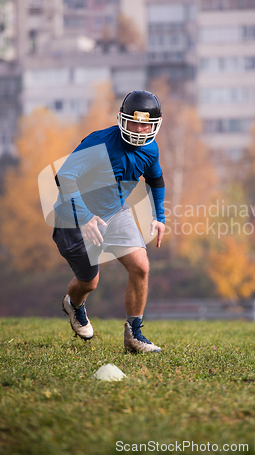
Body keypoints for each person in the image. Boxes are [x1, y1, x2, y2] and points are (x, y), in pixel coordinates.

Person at [52, 90, 165, 352]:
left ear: (154, 126)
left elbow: (155, 179)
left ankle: (134, 336)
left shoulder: (150, 149)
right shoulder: (99, 142)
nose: (139, 129)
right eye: (134, 121)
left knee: (141, 267)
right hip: (73, 215)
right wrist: (85, 217)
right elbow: (64, 177)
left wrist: (160, 217)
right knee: (89, 282)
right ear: (121, 119)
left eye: (145, 124)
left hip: (115, 211)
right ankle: (74, 305)